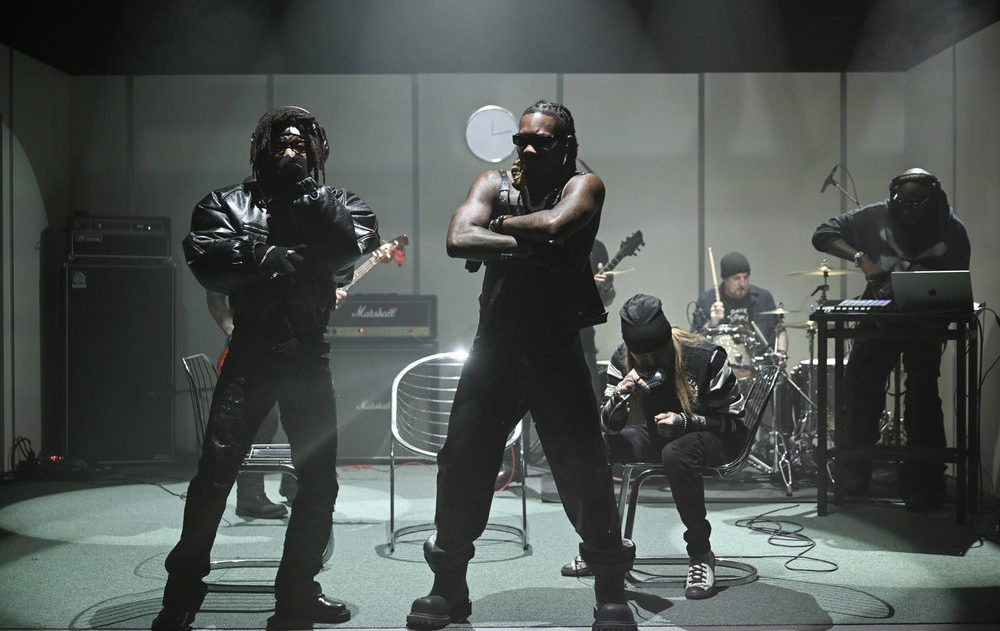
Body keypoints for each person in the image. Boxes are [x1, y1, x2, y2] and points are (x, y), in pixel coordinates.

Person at [406, 100, 637, 631]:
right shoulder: (491, 182)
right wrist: (528, 246)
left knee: (585, 469)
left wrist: (498, 231)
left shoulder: (586, 185)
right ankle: (448, 586)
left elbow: (556, 225)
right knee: (462, 462)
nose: (528, 149)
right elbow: (458, 239)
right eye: (521, 140)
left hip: (556, 349)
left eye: (542, 141)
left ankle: (609, 589)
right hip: (496, 349)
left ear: (567, 146)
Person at [151, 106, 380, 631]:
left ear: (317, 152)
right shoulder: (226, 202)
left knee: (317, 483)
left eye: (301, 143)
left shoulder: (338, 201)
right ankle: (180, 597)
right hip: (250, 355)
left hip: (307, 357)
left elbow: (347, 249)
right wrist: (261, 253)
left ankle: (298, 594)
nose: (291, 148)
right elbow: (204, 258)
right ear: (260, 149)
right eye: (281, 142)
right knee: (214, 479)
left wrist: (309, 195)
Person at [563, 294, 746, 599]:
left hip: (717, 439)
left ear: (667, 345)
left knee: (677, 452)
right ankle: (601, 547)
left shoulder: (706, 358)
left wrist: (685, 422)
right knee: (596, 446)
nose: (647, 364)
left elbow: (734, 424)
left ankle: (701, 554)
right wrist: (620, 396)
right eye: (641, 358)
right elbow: (609, 426)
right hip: (660, 437)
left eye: (655, 356)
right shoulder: (622, 359)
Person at [811, 167, 970, 510]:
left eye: (917, 204)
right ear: (894, 197)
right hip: (879, 318)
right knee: (861, 390)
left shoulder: (951, 228)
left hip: (924, 323)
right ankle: (854, 476)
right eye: (903, 203)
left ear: (932, 200)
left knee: (923, 397)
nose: (909, 211)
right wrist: (861, 259)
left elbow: (957, 283)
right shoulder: (874, 215)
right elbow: (823, 233)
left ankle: (923, 483)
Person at [691, 251, 787, 356]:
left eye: (745, 277)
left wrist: (781, 355)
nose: (742, 284)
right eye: (736, 278)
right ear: (725, 279)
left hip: (759, 361)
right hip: (722, 361)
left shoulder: (763, 298)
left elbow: (780, 331)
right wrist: (711, 324)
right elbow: (694, 342)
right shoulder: (707, 300)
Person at [581, 239, 617, 399]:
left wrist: (607, 287)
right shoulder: (551, 242)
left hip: (585, 338)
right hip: (550, 335)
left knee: (592, 396)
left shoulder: (597, 247)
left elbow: (607, 300)